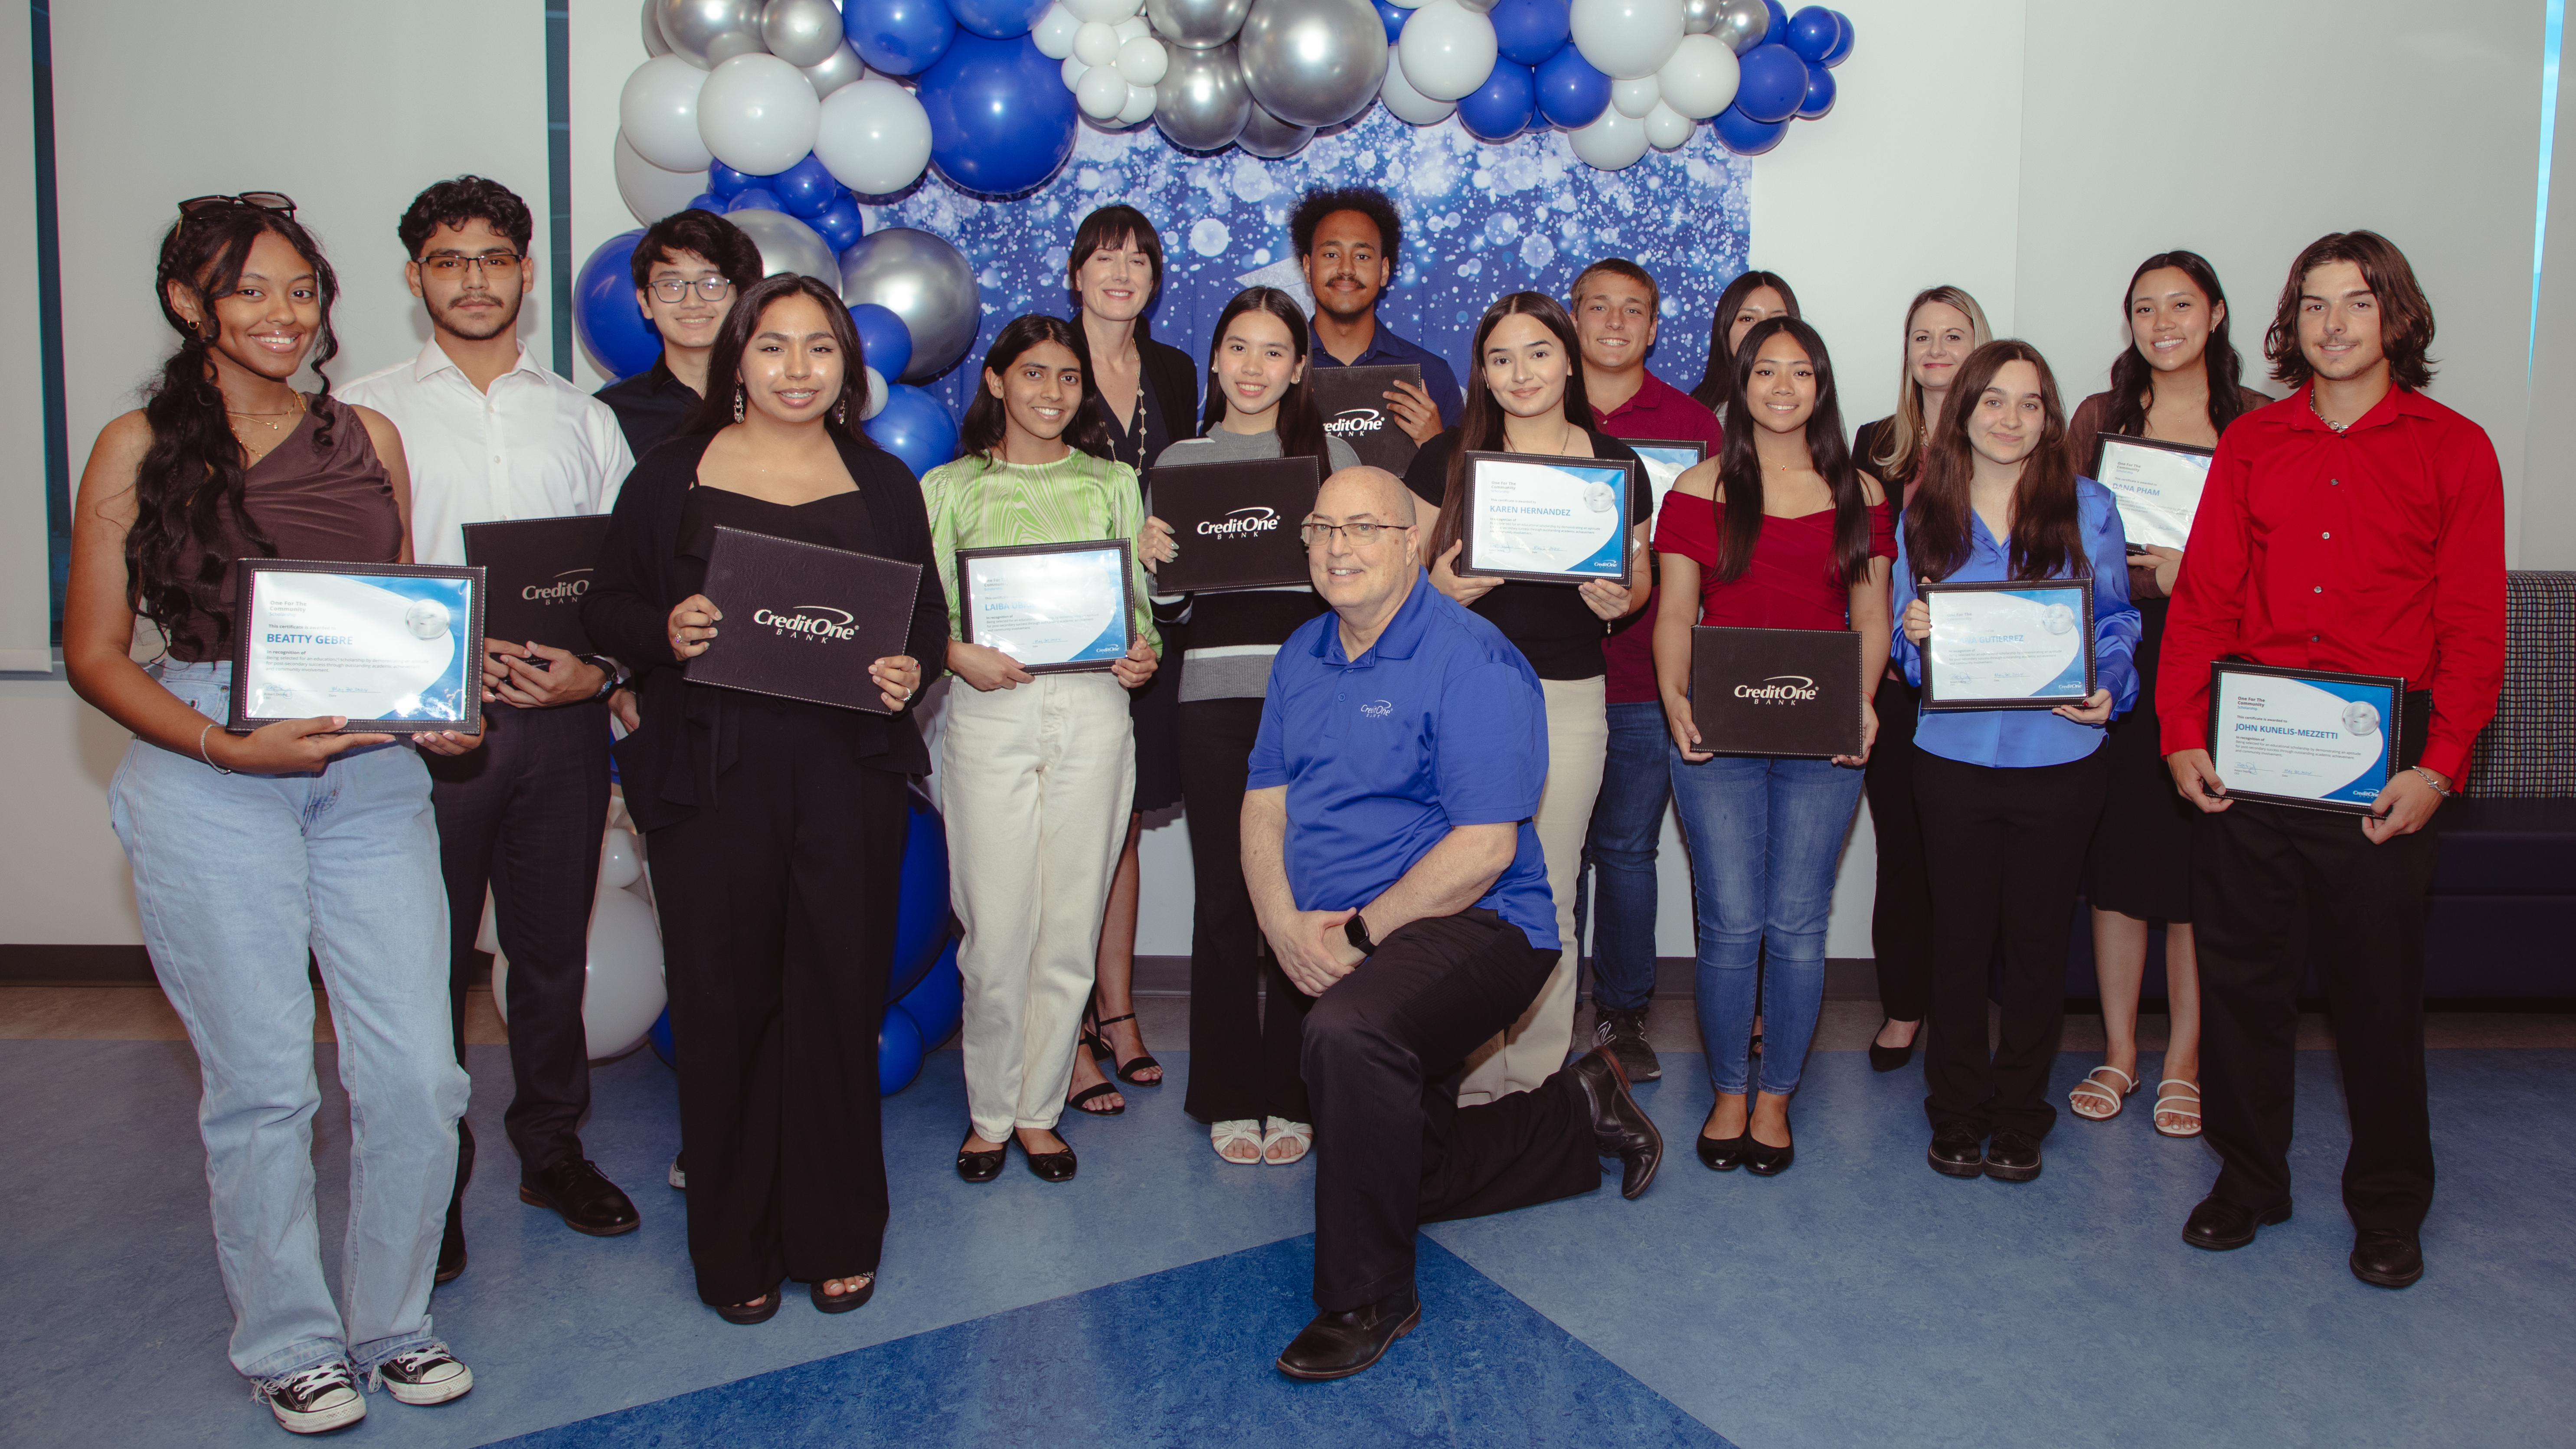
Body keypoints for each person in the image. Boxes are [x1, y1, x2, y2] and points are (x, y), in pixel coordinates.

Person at [64, 196, 480, 1433]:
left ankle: (394, 1321)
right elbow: (91, 651)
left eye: (303, 291)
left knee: (419, 1074)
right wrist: (224, 745)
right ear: (190, 304)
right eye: (251, 290)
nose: (285, 315)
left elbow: (400, 623)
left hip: (367, 772)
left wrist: (438, 707)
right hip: (204, 763)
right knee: (262, 1086)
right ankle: (290, 1342)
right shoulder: (134, 445)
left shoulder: (373, 438)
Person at [583, 273, 944, 1322]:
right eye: (774, 346)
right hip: (711, 776)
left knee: (836, 1001)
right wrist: (668, 631)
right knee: (724, 1006)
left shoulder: (882, 481)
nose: (798, 369)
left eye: (820, 348)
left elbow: (920, 621)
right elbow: (609, 599)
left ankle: (836, 1230)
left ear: (848, 366)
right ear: (736, 357)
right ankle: (730, 1242)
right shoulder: (670, 476)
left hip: (847, 775)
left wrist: (907, 672)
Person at [1251, 464, 1662, 1382]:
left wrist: (1351, 941)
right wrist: (1284, 926)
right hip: (1352, 926)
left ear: (1412, 543)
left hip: (1484, 924)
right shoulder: (1301, 652)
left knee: (1350, 1033)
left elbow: (1483, 848)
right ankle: (1576, 1108)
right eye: (1322, 527)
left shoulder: (1474, 658)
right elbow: (1263, 804)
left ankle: (1369, 1297)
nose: (1338, 546)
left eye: (1365, 527)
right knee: (1402, 1166)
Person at [2159, 232, 2504, 1289]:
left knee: (2376, 1000)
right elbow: (2205, 599)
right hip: (2252, 751)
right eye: (2312, 305)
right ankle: (2250, 1177)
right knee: (2243, 987)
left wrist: (2438, 768)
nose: (2332, 324)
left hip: (2381, 766)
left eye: (2355, 304)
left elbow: (2474, 628)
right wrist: (2180, 733)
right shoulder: (2254, 443)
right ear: (2288, 322)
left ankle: (2389, 1206)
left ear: (2393, 316)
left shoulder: (2452, 447)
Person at [341, 177, 639, 1281]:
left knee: (551, 955)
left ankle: (551, 1147)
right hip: (424, 740)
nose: (474, 279)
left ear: (525, 269)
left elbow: (623, 581)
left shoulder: (582, 416)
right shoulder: (365, 414)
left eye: (494, 258)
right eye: (448, 260)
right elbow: (349, 583)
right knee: (419, 967)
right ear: (417, 276)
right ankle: (435, 1174)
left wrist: (597, 670)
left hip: (561, 730)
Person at [1892, 340, 2138, 1186]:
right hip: (1953, 756)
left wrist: (2113, 687)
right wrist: (1913, 636)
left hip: (2061, 756)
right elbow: (1901, 632)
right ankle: (1956, 1111)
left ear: (2051, 416)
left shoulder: (2090, 505)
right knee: (1958, 943)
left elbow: (2115, 624)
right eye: (1993, 400)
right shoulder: (1925, 506)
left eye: (2030, 403)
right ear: (1962, 409)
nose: (2010, 418)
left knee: (2036, 946)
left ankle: (2019, 1112)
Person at [927, 315, 1162, 1185]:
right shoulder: (947, 486)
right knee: (996, 930)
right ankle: (988, 1111)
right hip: (991, 710)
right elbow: (918, 613)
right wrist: (956, 653)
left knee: (1068, 924)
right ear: (996, 382)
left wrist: (1144, 656)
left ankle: (1037, 1111)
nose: (1053, 392)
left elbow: (1138, 611)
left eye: (1069, 377)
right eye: (1033, 374)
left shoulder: (1113, 483)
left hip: (1096, 708)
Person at [1654, 318, 1893, 1175]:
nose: (1784, 385)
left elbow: (1871, 616)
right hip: (1717, 734)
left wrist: (1860, 706)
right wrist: (1677, 701)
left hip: (1820, 738)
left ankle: (1777, 1095)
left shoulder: (1860, 490)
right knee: (1728, 923)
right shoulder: (1698, 487)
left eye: (1802, 371)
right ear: (1742, 382)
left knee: (1796, 923)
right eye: (1766, 369)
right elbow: (1677, 612)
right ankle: (1727, 1088)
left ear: (1821, 387)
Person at [1403, 292, 1649, 1105]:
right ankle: (1472, 1083)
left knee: (1549, 889)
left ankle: (1535, 1083)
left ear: (1570, 359)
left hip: (1569, 696)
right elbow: (1391, 596)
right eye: (1502, 358)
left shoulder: (1617, 465)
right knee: (1464, 889)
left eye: (1539, 353)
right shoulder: (1442, 458)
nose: (1521, 373)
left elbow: (1637, 575)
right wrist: (1437, 590)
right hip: (1461, 698)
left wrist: (1625, 598)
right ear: (1483, 371)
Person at [1147, 286, 1359, 1164]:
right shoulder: (1182, 459)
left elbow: (1360, 582)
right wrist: (1157, 564)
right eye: (1238, 346)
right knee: (1229, 898)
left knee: (1309, 897)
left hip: (1314, 700)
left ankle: (1297, 1087)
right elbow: (1174, 605)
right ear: (1216, 358)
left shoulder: (1329, 454)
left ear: (1299, 366)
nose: (1253, 366)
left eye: (1274, 350)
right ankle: (1228, 1089)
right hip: (1213, 701)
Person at [2062, 251, 2269, 1138]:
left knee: (2198, 869)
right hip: (2123, 654)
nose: (2162, 322)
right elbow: (2062, 537)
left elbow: (2288, 560)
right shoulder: (2099, 419)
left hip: (2223, 660)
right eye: (2144, 308)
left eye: (2179, 304)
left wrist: (2205, 571)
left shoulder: (2260, 423)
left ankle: (2185, 1056)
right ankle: (2120, 1048)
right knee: (2119, 868)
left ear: (2216, 314)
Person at [1566, 257, 1726, 1083]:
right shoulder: (1535, 408)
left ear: (1656, 327)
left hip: (1641, 675)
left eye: (1634, 311)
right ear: (1574, 318)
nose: (1616, 324)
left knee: (1626, 851)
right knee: (1550, 850)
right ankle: (1545, 1008)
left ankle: (1622, 1017)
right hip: (1545, 670)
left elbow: (1720, 553)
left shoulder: (1697, 426)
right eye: (1599, 308)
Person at [1063, 204, 1198, 1110]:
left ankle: (1118, 1013)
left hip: (1160, 627)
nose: (1122, 271)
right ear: (1076, 273)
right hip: (1067, 630)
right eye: (1105, 257)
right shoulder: (1041, 359)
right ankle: (1067, 1024)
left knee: (1125, 818)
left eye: (1139, 258)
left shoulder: (1179, 370)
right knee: (1073, 828)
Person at [1851, 285, 1992, 1073]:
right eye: (1922, 337)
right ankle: (1905, 1006)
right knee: (1903, 847)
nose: (1937, 351)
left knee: (1972, 856)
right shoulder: (1876, 442)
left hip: (1987, 684)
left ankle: (1964, 1006)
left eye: (1954, 334)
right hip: (1899, 687)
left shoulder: (2010, 433)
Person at [1290, 185, 1463, 442]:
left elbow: (1461, 480)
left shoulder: (1431, 374)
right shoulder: (1278, 370)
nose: (1346, 269)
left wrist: (1435, 444)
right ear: (1307, 267)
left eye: (1362, 256)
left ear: (1384, 271)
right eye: (1331, 254)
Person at [594, 207, 762, 458]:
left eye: (712, 284)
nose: (692, 302)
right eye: (671, 285)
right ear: (645, 302)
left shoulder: (776, 400)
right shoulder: (607, 415)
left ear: (743, 296)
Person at [1687, 269, 1801, 414]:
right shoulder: (1695, 415)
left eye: (1776, 320)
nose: (1762, 330)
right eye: (1748, 319)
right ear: (1725, 330)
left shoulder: (1811, 406)